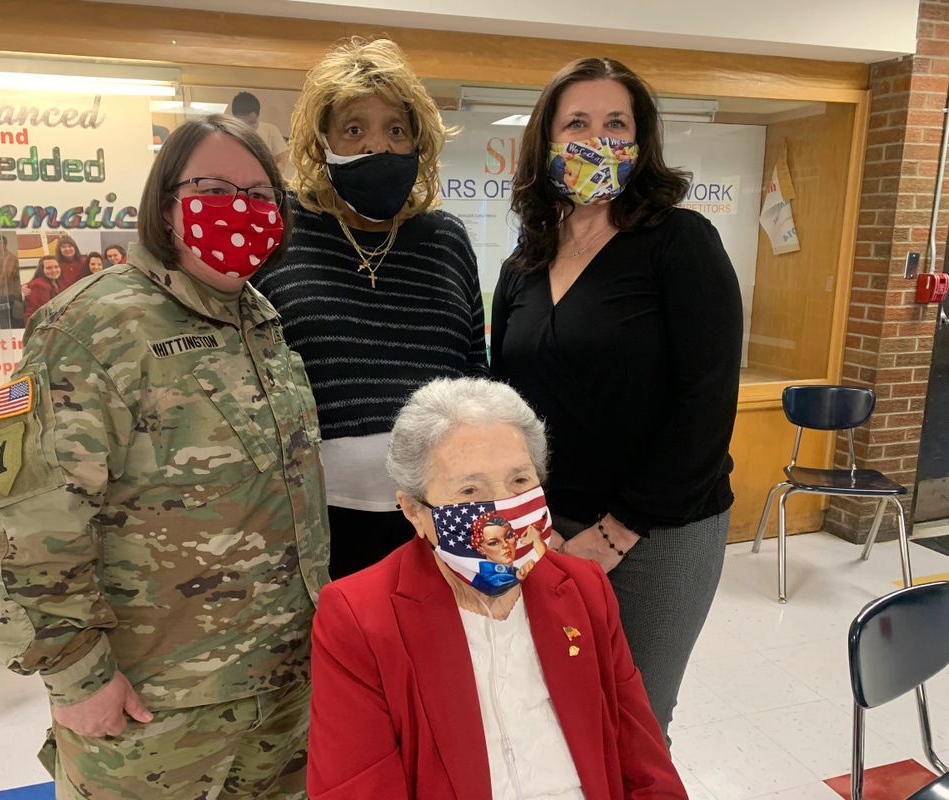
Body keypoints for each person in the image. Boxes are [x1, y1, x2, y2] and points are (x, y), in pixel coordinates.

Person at [0, 114, 327, 800]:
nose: (242, 210)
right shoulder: (94, 324)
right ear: (167, 202)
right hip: (152, 707)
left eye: (260, 196)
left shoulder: (259, 321)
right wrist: (77, 678)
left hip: (279, 691)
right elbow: (24, 522)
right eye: (216, 187)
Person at [490, 57, 743, 741]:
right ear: (546, 141)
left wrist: (616, 532)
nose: (596, 138)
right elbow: (506, 401)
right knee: (553, 708)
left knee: (633, 722)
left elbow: (707, 401)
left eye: (615, 123)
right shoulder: (525, 261)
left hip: (657, 532)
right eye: (577, 122)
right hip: (545, 528)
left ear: (641, 141)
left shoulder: (679, 243)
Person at [307, 377, 687, 800]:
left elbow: (644, 761)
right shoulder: (359, 617)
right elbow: (355, 787)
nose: (504, 511)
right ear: (415, 511)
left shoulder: (583, 587)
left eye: (520, 481)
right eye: (471, 490)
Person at [252, 37, 487, 580]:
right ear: (323, 141)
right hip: (309, 523)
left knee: (427, 660)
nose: (376, 146)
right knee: (328, 662)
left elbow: (475, 371)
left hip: (438, 519)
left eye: (395, 130)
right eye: (354, 129)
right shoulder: (282, 231)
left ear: (418, 143)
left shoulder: (445, 239)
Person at [232, 90, 288, 172]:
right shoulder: (229, 133)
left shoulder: (270, 130)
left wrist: (271, 178)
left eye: (251, 122)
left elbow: (280, 162)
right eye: (241, 123)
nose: (247, 128)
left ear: (258, 115)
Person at [23, 255, 63, 324]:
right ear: (41, 270)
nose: (54, 270)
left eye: (56, 267)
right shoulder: (39, 285)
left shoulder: (56, 282)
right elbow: (44, 312)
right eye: (49, 268)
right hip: (38, 325)